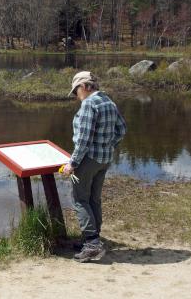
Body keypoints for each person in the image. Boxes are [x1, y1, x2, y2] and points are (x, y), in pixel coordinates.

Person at [62, 71, 126, 263]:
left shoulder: (89, 104)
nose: (76, 95)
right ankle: (94, 237)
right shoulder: (108, 101)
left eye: (76, 90)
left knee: (80, 199)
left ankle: (91, 243)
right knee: (94, 198)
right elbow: (121, 130)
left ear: (85, 86)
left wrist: (72, 163)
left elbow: (83, 139)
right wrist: (108, 145)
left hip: (88, 160)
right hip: (104, 159)